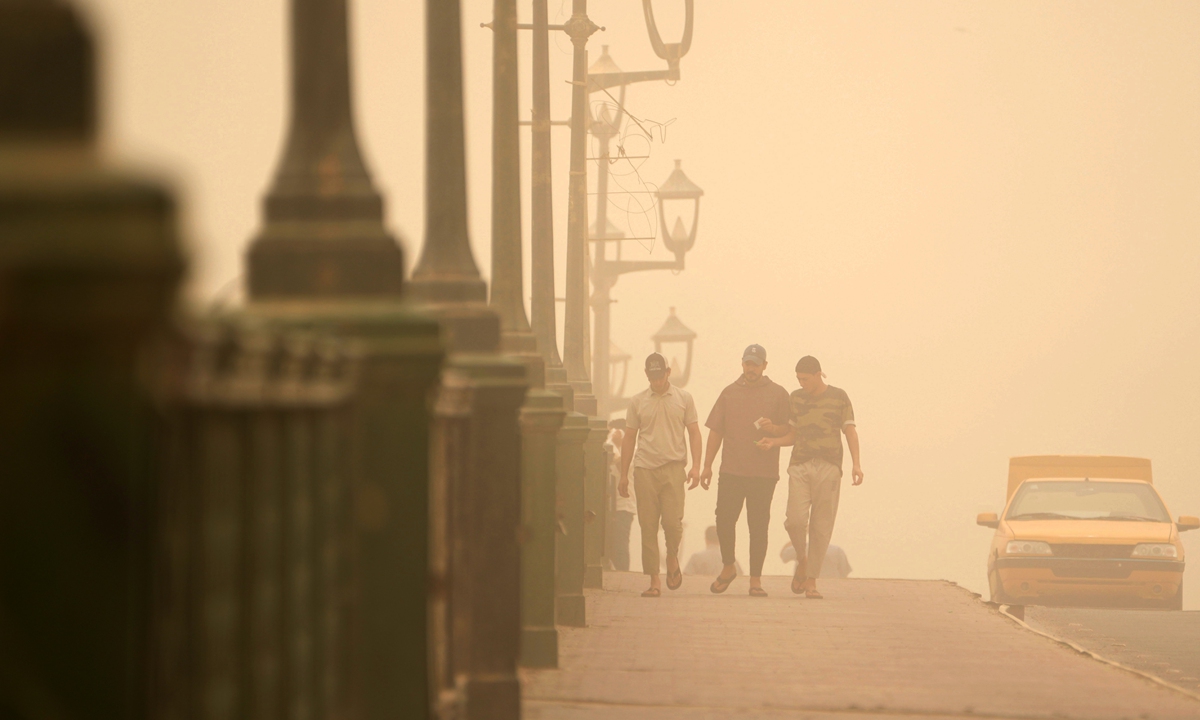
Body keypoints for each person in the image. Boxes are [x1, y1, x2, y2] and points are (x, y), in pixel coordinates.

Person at [758, 355, 863, 599]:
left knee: (821, 525)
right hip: (800, 465)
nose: (801, 382)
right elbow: (793, 435)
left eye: (805, 378)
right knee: (795, 520)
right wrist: (773, 441)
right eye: (798, 379)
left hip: (829, 466)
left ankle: (812, 581)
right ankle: (802, 559)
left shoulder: (839, 397)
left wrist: (856, 464)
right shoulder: (796, 398)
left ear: (818, 375)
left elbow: (850, 432)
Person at [699, 344, 790, 597]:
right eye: (748, 363)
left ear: (765, 366)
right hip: (731, 470)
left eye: (756, 364)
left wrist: (773, 430)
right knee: (724, 520)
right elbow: (715, 431)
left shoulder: (779, 394)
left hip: (764, 473)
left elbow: (790, 431)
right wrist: (707, 465)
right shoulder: (729, 393)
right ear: (742, 363)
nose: (751, 369)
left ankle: (756, 580)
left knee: (758, 525)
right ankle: (728, 566)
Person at [619, 352, 702, 598]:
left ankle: (672, 555)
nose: (657, 382)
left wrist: (696, 466)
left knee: (673, 523)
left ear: (668, 372)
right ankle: (654, 579)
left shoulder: (684, 398)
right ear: (648, 376)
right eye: (652, 377)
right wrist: (624, 474)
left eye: (660, 376)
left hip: (674, 468)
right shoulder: (637, 402)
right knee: (648, 525)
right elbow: (629, 437)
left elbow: (694, 433)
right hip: (645, 468)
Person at [605, 419, 635, 571]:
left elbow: (620, 464)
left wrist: (613, 443)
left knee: (620, 544)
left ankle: (624, 574)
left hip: (624, 506)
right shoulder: (614, 449)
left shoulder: (633, 451)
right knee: (610, 544)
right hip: (611, 505)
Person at [780, 542, 852, 579]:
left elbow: (783, 556)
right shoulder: (836, 550)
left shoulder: (802, 547)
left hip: (805, 585)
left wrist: (797, 536)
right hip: (834, 585)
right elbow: (844, 573)